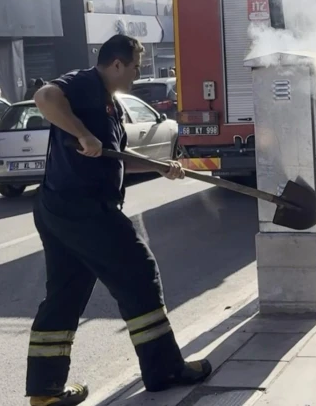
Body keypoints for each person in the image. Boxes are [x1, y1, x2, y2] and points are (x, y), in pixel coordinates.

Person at [26, 34, 211, 406]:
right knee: (139, 272)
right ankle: (164, 369)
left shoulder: (107, 103)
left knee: (65, 294)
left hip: (60, 207)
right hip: (84, 209)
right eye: (136, 67)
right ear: (116, 64)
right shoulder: (84, 83)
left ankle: (44, 394)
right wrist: (82, 134)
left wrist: (160, 167)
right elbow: (44, 98)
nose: (137, 75)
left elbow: (113, 153)